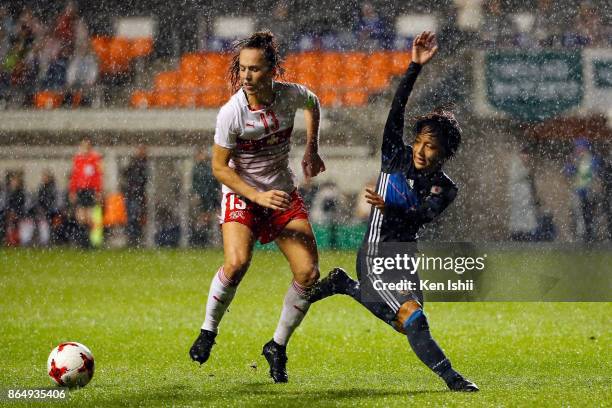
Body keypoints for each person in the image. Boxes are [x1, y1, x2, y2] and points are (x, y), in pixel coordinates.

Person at [307, 32, 478, 392]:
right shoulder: (394, 156)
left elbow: (423, 216)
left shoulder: (447, 188)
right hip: (374, 255)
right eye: (419, 141)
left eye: (430, 146)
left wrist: (396, 205)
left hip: (405, 258)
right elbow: (397, 109)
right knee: (414, 320)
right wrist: (414, 66)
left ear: (444, 154)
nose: (420, 149)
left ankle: (346, 286)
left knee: (405, 323)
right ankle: (453, 379)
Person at [189, 31, 326, 383]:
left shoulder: (290, 95)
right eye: (243, 69)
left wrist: (312, 149)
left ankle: (277, 345)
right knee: (237, 263)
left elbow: (313, 103)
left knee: (309, 274)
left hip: (280, 192)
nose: (246, 76)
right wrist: (256, 195)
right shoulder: (231, 113)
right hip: (243, 193)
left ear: (272, 71)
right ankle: (208, 330)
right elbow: (219, 168)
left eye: (254, 69)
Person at [69, 138, 103, 247]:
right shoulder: (77, 159)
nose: (85, 148)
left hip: (90, 190)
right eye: (83, 146)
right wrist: (73, 191)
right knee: (80, 217)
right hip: (80, 190)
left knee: (89, 217)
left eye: (87, 146)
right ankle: (82, 240)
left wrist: (98, 191)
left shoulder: (95, 159)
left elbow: (98, 176)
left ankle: (89, 241)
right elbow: (74, 176)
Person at [190, 148, 219, 246]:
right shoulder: (196, 169)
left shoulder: (209, 168)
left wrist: (216, 193)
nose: (202, 157)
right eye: (200, 155)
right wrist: (197, 195)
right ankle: (200, 240)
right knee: (202, 218)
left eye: (203, 154)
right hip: (202, 197)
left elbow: (215, 182)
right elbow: (194, 184)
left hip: (211, 197)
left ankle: (212, 239)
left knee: (214, 217)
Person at [123, 144, 149, 247]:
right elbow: (125, 173)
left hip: (138, 194)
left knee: (135, 216)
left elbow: (144, 180)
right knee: (131, 217)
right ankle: (132, 239)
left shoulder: (145, 164)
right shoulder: (133, 162)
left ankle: (136, 239)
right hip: (131, 194)